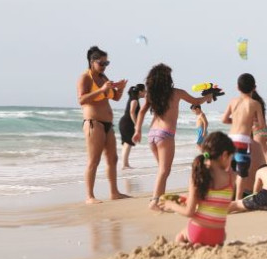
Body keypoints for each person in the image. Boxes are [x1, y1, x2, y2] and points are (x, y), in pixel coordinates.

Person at [133, 64, 213, 211]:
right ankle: (155, 201)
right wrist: (207, 97)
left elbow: (142, 112)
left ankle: (160, 200)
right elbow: (196, 101)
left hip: (152, 134)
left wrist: (137, 130)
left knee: (163, 171)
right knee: (164, 171)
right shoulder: (176, 93)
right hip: (165, 135)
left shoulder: (152, 95)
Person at [159, 132, 235, 247]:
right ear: (224, 155)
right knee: (220, 233)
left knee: (180, 235)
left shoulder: (199, 175)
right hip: (218, 237)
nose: (230, 161)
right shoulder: (231, 178)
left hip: (198, 233)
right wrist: (190, 198)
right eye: (231, 157)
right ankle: (204, 243)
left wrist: (170, 205)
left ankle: (186, 244)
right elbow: (216, 204)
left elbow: (189, 212)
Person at [77, 46, 129, 204]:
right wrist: (101, 90)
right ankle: (89, 196)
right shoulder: (85, 78)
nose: (104, 66)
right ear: (92, 62)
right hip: (94, 123)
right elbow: (81, 100)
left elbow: (115, 98)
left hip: (107, 124)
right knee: (94, 160)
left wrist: (120, 89)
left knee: (113, 158)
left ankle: (114, 192)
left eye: (107, 63)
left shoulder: (104, 78)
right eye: (101, 63)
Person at [222, 73, 265, 200]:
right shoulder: (255, 104)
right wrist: (251, 124)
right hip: (242, 141)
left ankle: (227, 196)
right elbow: (261, 125)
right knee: (242, 172)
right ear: (254, 88)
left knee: (230, 170)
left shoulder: (233, 101)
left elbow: (224, 119)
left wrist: (235, 121)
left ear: (237, 87)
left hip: (230, 140)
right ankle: (238, 199)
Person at [118, 84, 146, 170]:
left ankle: (125, 164)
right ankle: (125, 165)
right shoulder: (134, 100)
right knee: (128, 143)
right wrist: (136, 124)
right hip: (127, 123)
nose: (145, 93)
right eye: (145, 91)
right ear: (140, 92)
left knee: (127, 143)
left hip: (126, 123)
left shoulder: (134, 99)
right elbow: (132, 112)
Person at [252, 90, 267, 166]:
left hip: (257, 131)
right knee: (263, 154)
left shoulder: (252, 104)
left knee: (265, 153)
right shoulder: (260, 103)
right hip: (264, 130)